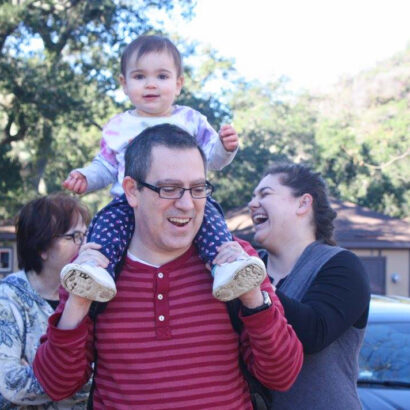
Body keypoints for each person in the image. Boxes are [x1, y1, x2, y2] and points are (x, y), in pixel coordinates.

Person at [33, 124, 303, 409]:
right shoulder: (91, 271)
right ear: (132, 191)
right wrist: (79, 301)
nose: (187, 204)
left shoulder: (236, 260)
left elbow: (281, 375)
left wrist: (251, 298)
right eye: (170, 189)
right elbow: (57, 385)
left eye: (198, 189)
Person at [60, 35, 266, 304]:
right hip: (128, 203)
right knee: (106, 228)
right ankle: (96, 271)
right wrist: (85, 177)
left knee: (211, 221)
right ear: (124, 83)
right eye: (139, 76)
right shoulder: (119, 126)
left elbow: (213, 160)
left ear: (178, 84)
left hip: (186, 199)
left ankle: (226, 265)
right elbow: (106, 165)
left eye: (162, 76)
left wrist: (226, 148)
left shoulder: (190, 120)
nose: (151, 84)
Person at [245, 162, 370, 409]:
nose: (252, 204)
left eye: (265, 194)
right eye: (253, 196)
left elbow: (314, 332)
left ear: (303, 203)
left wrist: (251, 288)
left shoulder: (342, 265)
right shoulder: (251, 263)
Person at [0, 193, 91, 409]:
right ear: (41, 248)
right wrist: (81, 380)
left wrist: (37, 372)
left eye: (86, 235)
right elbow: (12, 384)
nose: (85, 244)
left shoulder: (92, 295)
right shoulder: (8, 298)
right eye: (74, 236)